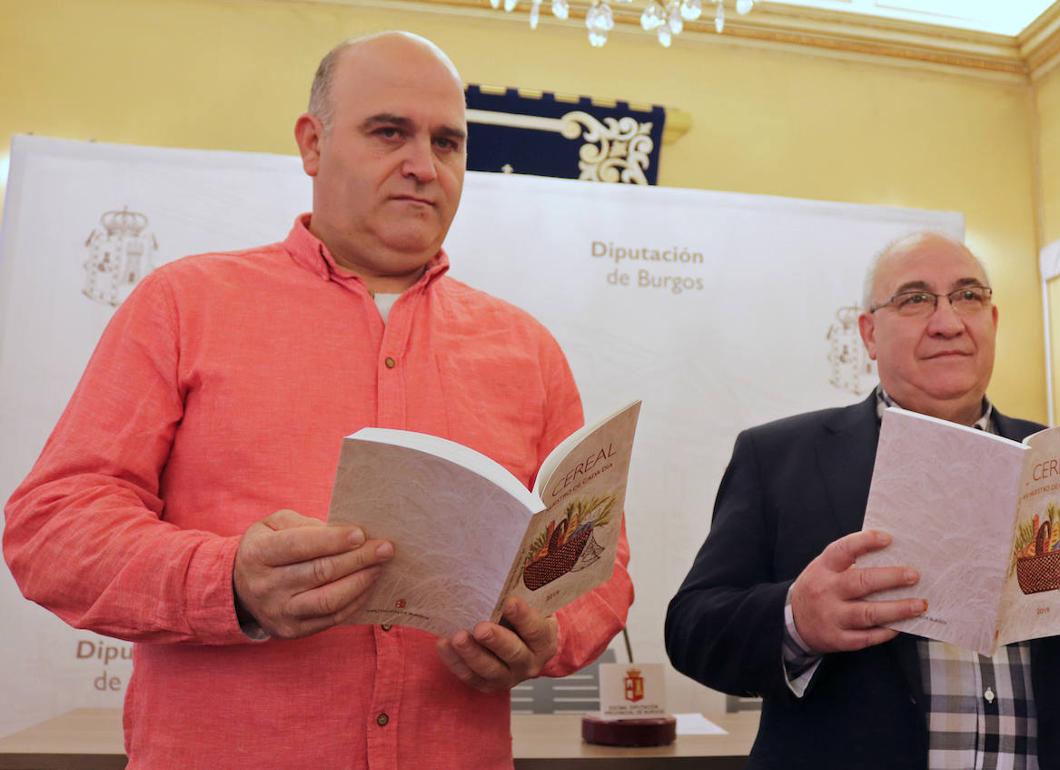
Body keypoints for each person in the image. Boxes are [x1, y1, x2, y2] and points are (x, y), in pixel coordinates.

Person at [4, 32, 632, 769]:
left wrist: (547, 637)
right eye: (389, 132)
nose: (422, 167)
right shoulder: (183, 305)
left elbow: (602, 568)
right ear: (312, 144)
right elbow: (50, 529)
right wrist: (227, 580)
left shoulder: (528, 349)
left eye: (448, 142)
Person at [665, 232, 1060, 770]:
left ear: (993, 321)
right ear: (869, 333)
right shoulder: (777, 459)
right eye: (914, 299)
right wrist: (795, 619)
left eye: (968, 296)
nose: (948, 322)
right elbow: (692, 627)